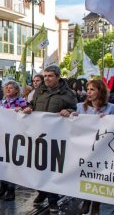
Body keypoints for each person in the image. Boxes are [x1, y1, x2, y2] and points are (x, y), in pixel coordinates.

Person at [23, 65, 77, 213]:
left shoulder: (67, 93)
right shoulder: (39, 91)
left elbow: (75, 110)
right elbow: (32, 105)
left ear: (58, 77)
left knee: (52, 168)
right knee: (39, 167)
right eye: (45, 76)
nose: (47, 78)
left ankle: (52, 200)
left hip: (56, 137)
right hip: (39, 135)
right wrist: (28, 108)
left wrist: (70, 111)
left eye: (50, 76)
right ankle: (43, 191)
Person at [72, 80, 114, 215]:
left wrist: (109, 119)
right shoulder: (80, 107)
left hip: (102, 149)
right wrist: (71, 116)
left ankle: (96, 204)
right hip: (84, 148)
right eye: (88, 89)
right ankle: (86, 200)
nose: (89, 92)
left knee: (98, 176)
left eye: (92, 89)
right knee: (86, 175)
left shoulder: (112, 108)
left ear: (100, 91)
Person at [0, 80, 29, 201]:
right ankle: (2, 187)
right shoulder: (2, 102)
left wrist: (21, 111)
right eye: (7, 88)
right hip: (3, 135)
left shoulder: (22, 101)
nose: (8, 89)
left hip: (16, 136)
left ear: (16, 90)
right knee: (3, 163)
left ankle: (11, 190)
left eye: (11, 88)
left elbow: (28, 116)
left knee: (12, 164)